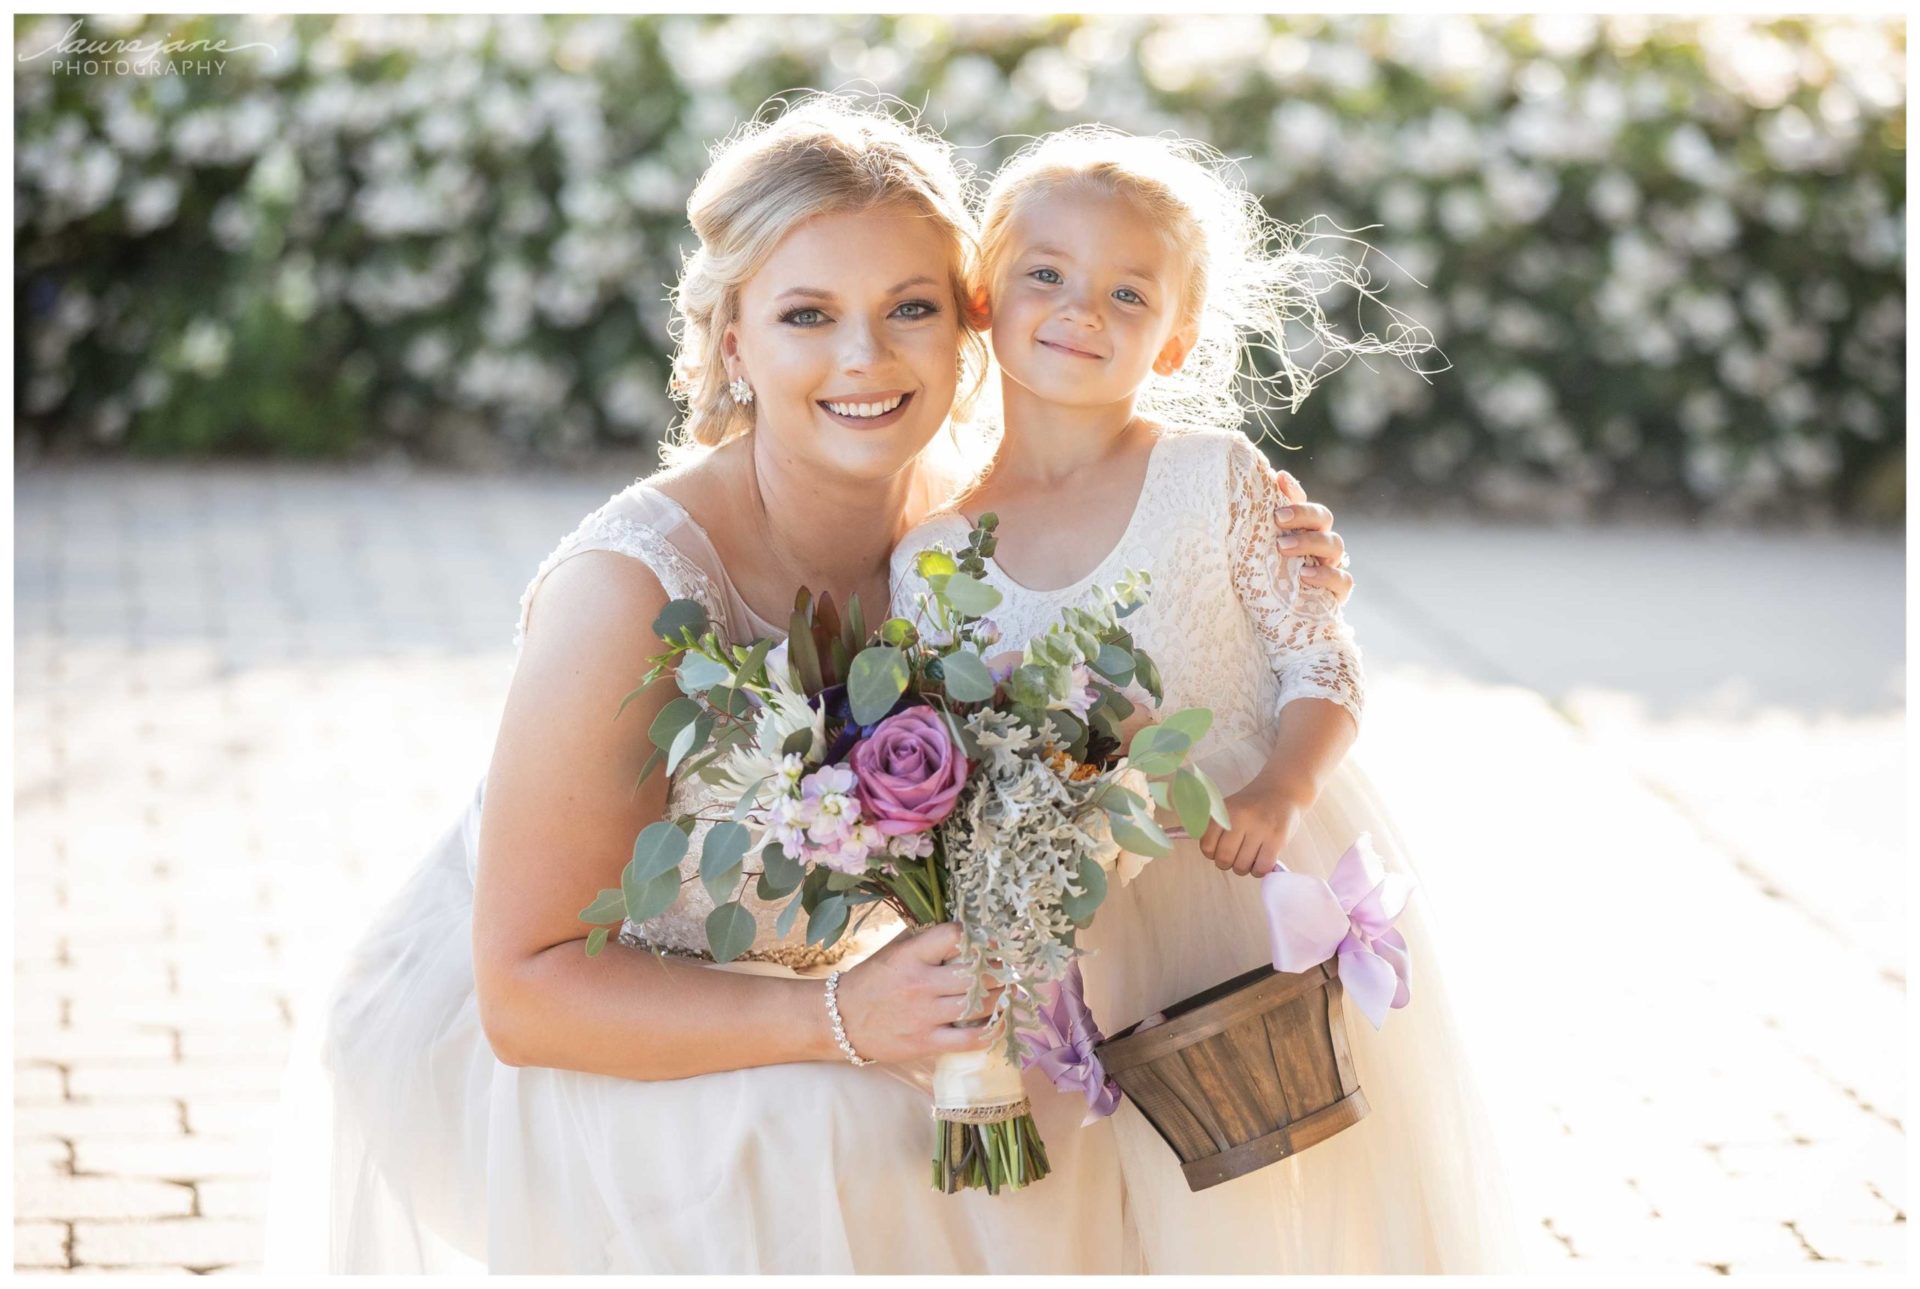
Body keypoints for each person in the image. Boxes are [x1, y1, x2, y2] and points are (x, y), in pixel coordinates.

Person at [263, 96, 1358, 1274]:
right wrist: (838, 1021)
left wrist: (1276, 573)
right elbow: (525, 992)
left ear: (968, 327)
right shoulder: (628, 591)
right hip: (590, 1024)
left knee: (1031, 1098)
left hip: (843, 983)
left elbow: (1166, 593)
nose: (865, 359)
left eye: (911, 310)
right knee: (845, 1127)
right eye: (807, 315)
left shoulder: (962, 534)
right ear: (734, 338)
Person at [890, 125, 1524, 1272]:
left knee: (1283, 1193)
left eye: (1127, 291)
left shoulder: (1211, 477)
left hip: (1252, 881)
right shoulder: (936, 551)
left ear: (1175, 337)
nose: (1081, 308)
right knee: (1117, 1204)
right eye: (1047, 274)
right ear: (984, 294)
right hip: (1081, 925)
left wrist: (1283, 783)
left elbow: (1319, 660)